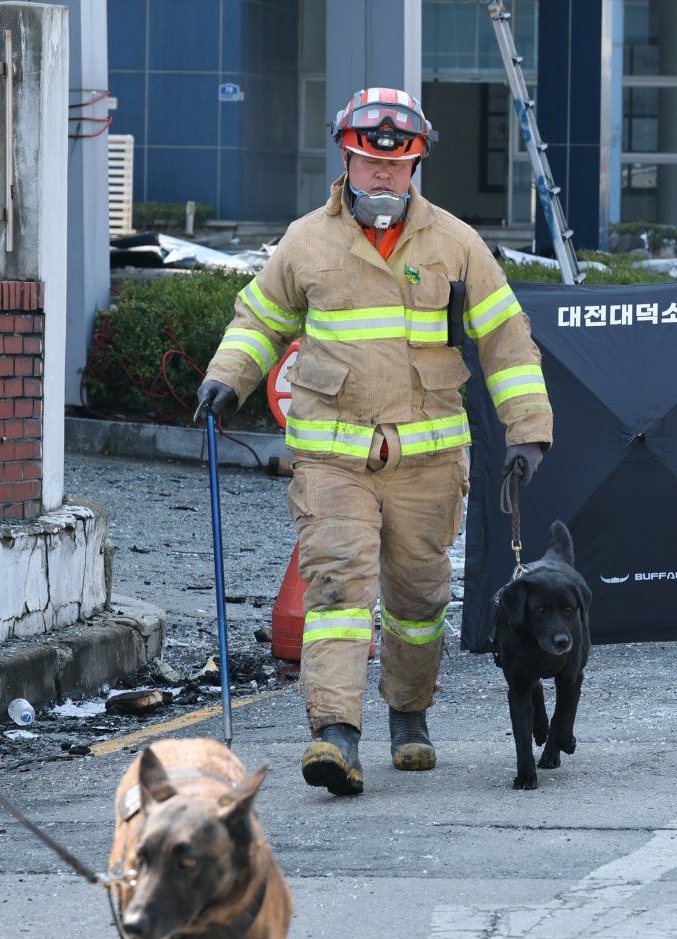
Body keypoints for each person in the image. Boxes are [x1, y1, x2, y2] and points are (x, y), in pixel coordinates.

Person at [197, 87, 553, 797]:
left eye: (398, 163)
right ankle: (336, 734)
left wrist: (529, 431)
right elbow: (259, 318)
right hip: (334, 458)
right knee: (338, 588)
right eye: (368, 162)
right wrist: (227, 376)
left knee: (420, 599)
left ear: (416, 160)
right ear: (347, 157)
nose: (383, 176)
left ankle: (409, 716)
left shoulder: (455, 245)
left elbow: (508, 341)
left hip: (427, 463)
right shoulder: (307, 241)